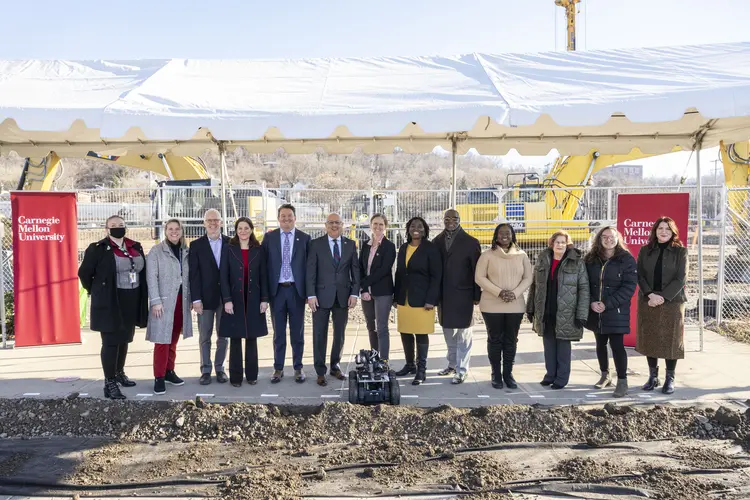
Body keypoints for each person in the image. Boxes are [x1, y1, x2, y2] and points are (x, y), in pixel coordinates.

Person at [78, 215, 148, 400]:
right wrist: (96, 290)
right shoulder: (97, 249)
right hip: (110, 300)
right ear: (106, 229)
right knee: (110, 341)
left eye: (121, 225)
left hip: (131, 299)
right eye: (113, 226)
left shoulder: (135, 246)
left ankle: (119, 373)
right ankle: (109, 382)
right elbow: (84, 273)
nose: (118, 228)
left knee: (124, 338)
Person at [527, 230, 589, 389]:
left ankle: (561, 378)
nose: (560, 245)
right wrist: (531, 307)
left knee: (562, 347)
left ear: (568, 244)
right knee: (548, 346)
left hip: (567, 312)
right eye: (557, 242)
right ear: (552, 244)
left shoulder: (577, 262)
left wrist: (581, 313)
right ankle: (550, 375)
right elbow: (535, 285)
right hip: (547, 310)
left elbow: (584, 288)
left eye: (563, 242)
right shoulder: (543, 260)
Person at [475, 223, 532, 390]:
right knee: (495, 340)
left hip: (515, 305)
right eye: (501, 233)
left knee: (511, 340)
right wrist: (499, 292)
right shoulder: (487, 255)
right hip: (491, 305)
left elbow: (528, 278)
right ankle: (496, 375)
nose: (504, 236)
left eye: (508, 233)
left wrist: (514, 293)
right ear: (496, 236)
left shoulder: (522, 255)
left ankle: (508, 374)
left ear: (513, 235)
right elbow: (479, 277)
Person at [306, 213, 360, 387]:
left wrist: (354, 293)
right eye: (331, 223)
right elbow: (310, 272)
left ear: (342, 225)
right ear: (325, 225)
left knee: (340, 334)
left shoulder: (350, 245)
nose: (334, 225)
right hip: (321, 297)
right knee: (319, 334)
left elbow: (355, 272)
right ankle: (320, 371)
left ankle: (335, 366)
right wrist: (311, 295)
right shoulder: (315, 244)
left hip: (343, 297)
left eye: (337, 222)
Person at [636, 216, 688, 395]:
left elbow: (680, 278)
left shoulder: (681, 252)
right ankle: (653, 377)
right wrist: (650, 294)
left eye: (667, 228)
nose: (663, 231)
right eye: (660, 228)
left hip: (672, 301)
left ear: (673, 231)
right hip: (649, 299)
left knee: (671, 340)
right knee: (650, 337)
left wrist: (663, 297)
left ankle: (670, 378)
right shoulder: (645, 250)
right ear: (655, 231)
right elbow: (639, 275)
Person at [584, 226, 637, 398]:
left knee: (617, 346)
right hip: (595, 310)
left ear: (618, 238)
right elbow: (584, 283)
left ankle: (622, 381)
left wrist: (607, 304)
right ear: (599, 239)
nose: (608, 239)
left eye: (612, 236)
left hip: (616, 310)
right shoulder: (591, 259)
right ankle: (605, 375)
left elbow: (629, 287)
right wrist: (592, 302)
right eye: (604, 237)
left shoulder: (626, 259)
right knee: (600, 343)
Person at [261, 204, 311, 384]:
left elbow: (309, 268)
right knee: (279, 333)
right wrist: (265, 295)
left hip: (296, 292)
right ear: (278, 218)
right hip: (277, 292)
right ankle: (278, 368)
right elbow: (264, 268)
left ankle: (298, 368)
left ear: (295, 218)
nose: (286, 220)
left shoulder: (305, 238)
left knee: (297, 333)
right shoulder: (269, 238)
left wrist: (309, 293)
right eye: (283, 216)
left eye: (289, 216)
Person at [433, 209, 481, 384]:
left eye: (454, 218)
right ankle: (452, 364)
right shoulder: (436, 241)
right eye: (447, 218)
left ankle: (462, 369)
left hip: (464, 295)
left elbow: (477, 271)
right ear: (443, 220)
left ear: (460, 220)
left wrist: (477, 295)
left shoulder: (471, 242)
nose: (450, 221)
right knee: (447, 332)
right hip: (444, 297)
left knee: (464, 334)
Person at [220, 217, 269, 387]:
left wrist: (264, 299)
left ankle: (252, 375)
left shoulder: (258, 249)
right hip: (235, 299)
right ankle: (235, 377)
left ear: (251, 230)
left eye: (246, 228)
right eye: (240, 228)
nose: (243, 231)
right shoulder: (229, 249)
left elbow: (264, 276)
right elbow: (223, 276)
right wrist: (227, 300)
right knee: (235, 338)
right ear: (236, 230)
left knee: (251, 338)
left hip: (254, 299)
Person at [394, 217, 442, 386]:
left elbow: (436, 276)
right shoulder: (403, 248)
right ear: (407, 229)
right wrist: (396, 297)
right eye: (412, 226)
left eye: (419, 226)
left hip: (423, 301)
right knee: (405, 332)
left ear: (424, 230)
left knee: (421, 334)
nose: (416, 229)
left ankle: (422, 370)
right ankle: (410, 365)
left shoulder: (431, 249)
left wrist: (431, 300)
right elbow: (399, 273)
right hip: (404, 299)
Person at [146, 219, 193, 395]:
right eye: (170, 229)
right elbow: (151, 278)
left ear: (182, 231)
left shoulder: (185, 251)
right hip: (164, 303)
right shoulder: (157, 251)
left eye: (177, 229)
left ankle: (169, 371)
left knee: (173, 339)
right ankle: (158, 376)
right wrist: (155, 301)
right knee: (162, 340)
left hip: (181, 301)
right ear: (165, 231)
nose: (174, 232)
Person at [189, 209, 230, 385]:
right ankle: (205, 369)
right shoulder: (196, 245)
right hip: (204, 299)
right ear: (204, 223)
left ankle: (220, 368)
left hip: (225, 298)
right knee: (204, 336)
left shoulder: (230, 243)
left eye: (216, 220)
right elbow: (194, 274)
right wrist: (195, 299)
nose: (213, 223)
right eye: (209, 220)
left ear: (221, 222)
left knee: (224, 335)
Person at [359, 213, 397, 362]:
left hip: (382, 292)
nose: (378, 227)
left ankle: (384, 361)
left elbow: (383, 270)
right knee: (370, 326)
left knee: (381, 327)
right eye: (375, 224)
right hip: (366, 293)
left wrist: (366, 283)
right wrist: (363, 289)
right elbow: (361, 268)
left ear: (385, 227)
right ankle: (374, 358)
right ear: (371, 225)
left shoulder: (389, 246)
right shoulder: (366, 245)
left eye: (381, 224)